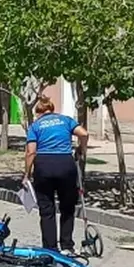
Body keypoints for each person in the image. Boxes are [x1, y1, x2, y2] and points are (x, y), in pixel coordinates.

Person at [22, 96, 89, 254]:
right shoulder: (66, 120)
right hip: (66, 165)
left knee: (47, 209)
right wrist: (81, 150)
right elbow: (84, 134)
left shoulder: (35, 125)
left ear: (38, 112)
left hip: (44, 166)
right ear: (52, 109)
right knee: (67, 207)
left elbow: (31, 151)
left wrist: (27, 174)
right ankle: (67, 246)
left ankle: (51, 248)